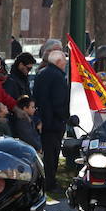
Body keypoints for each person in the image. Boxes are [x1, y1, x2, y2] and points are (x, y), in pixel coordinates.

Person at [32, 49, 69, 193]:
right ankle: (50, 184)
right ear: (59, 62)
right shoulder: (58, 77)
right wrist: (64, 116)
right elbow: (58, 102)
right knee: (52, 155)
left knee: (47, 154)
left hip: (44, 120)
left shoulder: (42, 73)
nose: (65, 65)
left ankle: (46, 182)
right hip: (54, 122)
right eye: (64, 62)